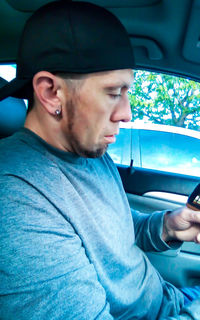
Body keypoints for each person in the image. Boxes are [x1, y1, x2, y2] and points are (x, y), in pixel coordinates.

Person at [0, 1, 200, 319]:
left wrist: (168, 227)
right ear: (51, 92)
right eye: (113, 92)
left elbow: (115, 230)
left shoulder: (90, 150)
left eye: (127, 91)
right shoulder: (15, 197)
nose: (127, 113)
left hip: (171, 300)